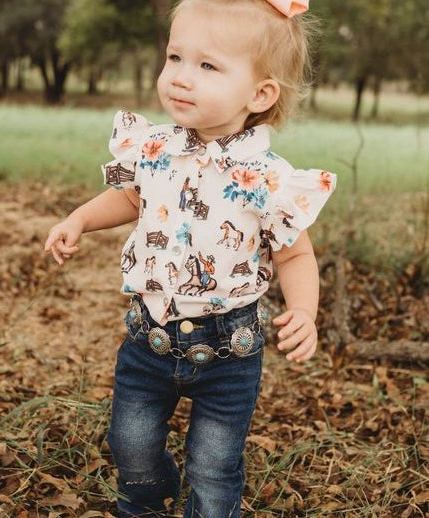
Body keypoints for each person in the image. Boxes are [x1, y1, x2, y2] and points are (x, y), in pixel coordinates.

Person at [44, 0, 336, 515]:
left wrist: (304, 311)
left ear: (260, 93)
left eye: (207, 66)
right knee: (130, 444)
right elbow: (130, 197)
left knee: (214, 465)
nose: (180, 77)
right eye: (175, 57)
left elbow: (295, 256)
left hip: (230, 350)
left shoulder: (269, 179)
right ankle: (148, 497)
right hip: (148, 338)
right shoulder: (155, 148)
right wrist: (79, 220)